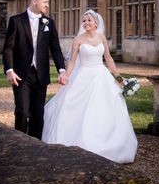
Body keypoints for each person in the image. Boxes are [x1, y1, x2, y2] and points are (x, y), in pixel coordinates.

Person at [41, 10, 137, 164]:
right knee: (78, 108)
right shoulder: (78, 40)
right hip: (83, 76)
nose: (85, 23)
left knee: (105, 109)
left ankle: (112, 145)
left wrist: (118, 77)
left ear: (96, 23)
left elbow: (108, 58)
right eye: (84, 21)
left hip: (101, 76)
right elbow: (72, 61)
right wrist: (66, 75)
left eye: (88, 21)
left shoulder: (101, 38)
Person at [2, 0, 68, 138]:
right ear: (34, 1)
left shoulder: (49, 23)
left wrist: (62, 70)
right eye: (45, 2)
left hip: (41, 75)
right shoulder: (16, 21)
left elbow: (55, 48)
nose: (47, 5)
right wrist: (9, 70)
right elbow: (8, 48)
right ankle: (19, 143)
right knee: (22, 111)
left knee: (38, 113)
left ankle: (34, 147)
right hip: (20, 74)